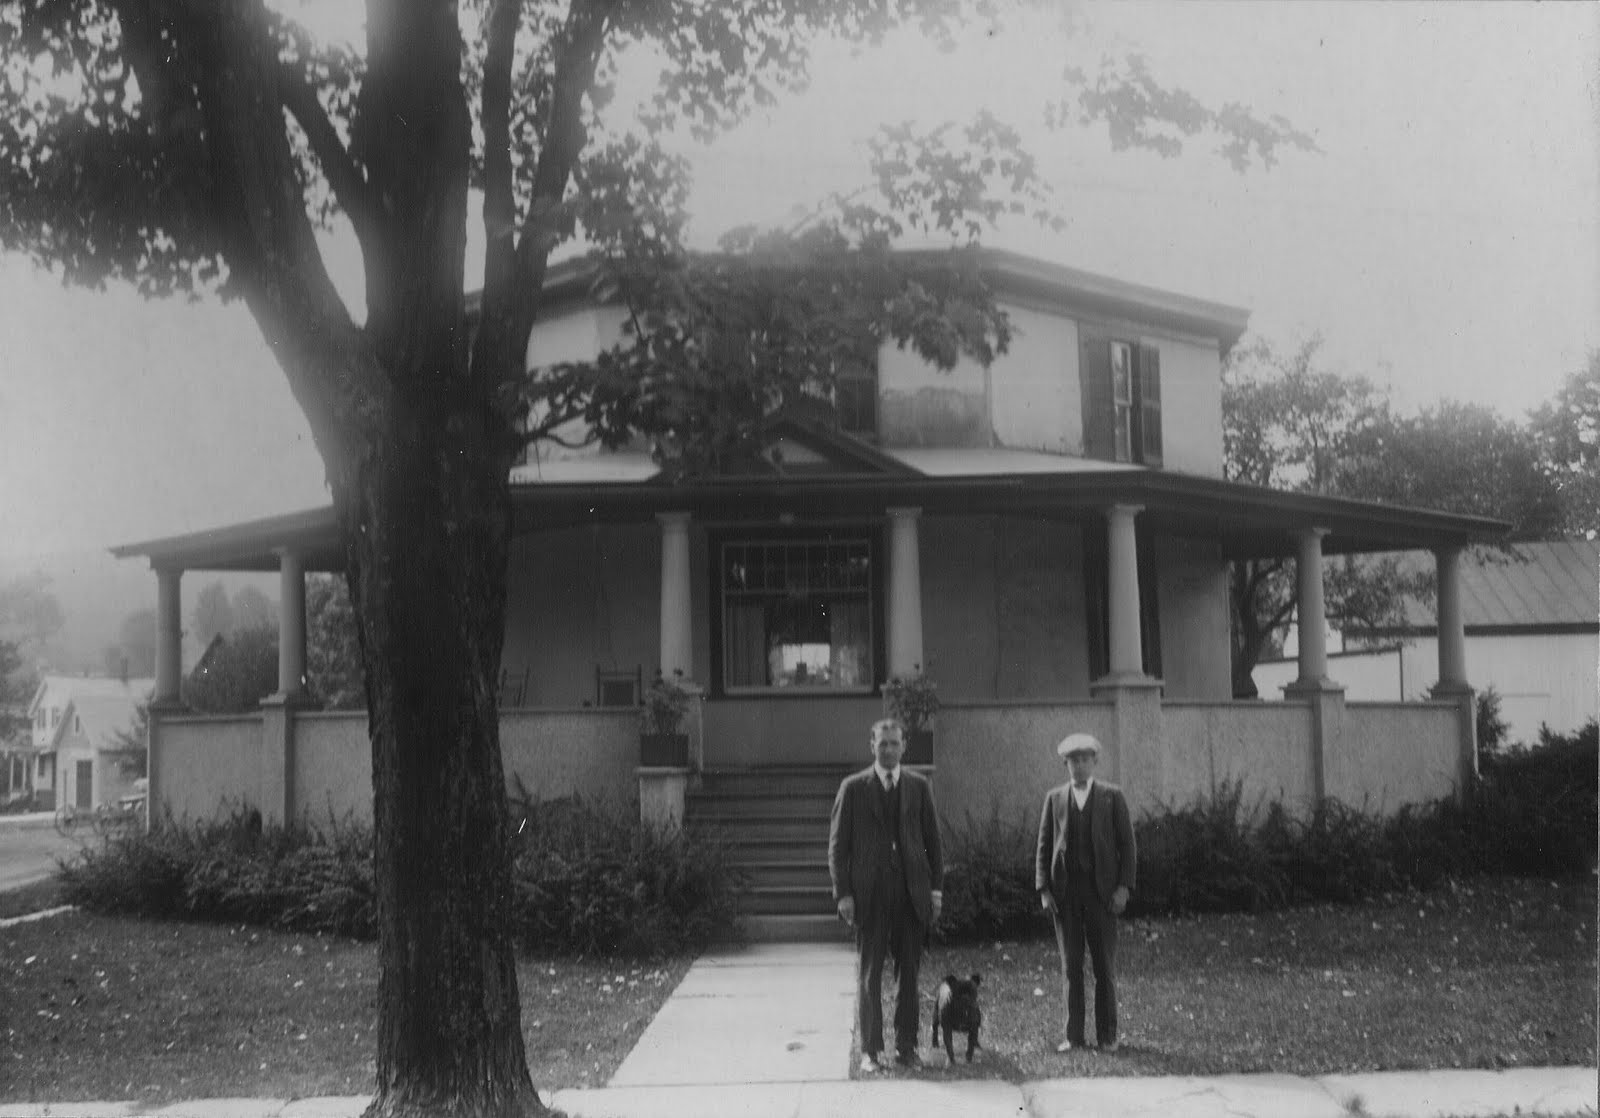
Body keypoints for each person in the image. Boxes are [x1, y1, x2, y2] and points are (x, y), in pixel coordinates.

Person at [829, 717, 944, 1072]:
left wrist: (935, 892)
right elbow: (837, 847)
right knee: (870, 974)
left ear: (904, 746)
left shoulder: (918, 786)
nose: (889, 749)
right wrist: (844, 894)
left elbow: (933, 845)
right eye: (883, 744)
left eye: (895, 743)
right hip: (870, 897)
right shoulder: (853, 788)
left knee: (908, 973)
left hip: (911, 896)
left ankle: (907, 1048)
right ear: (871, 745)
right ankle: (870, 1051)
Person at [1035, 732, 1136, 1053]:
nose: (1079, 766)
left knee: (1104, 966)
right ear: (1065, 764)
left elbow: (1127, 846)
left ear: (1095, 761)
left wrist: (1123, 887)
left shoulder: (1111, 796)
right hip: (1066, 896)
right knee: (1071, 966)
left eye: (1084, 759)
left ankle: (1107, 1036)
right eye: (1072, 761)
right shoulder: (1055, 798)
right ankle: (1073, 1036)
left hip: (1102, 894)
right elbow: (1043, 846)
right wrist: (1044, 890)